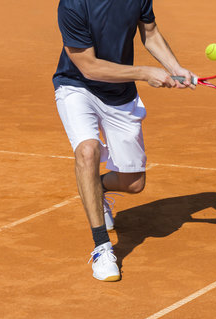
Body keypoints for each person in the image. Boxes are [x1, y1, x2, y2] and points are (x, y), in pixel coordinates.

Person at [52, 0, 194, 282]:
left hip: (120, 93)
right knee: (87, 150)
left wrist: (175, 68)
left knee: (134, 183)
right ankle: (102, 247)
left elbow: (150, 33)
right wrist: (144, 73)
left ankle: (98, 188)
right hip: (76, 85)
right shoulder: (73, 4)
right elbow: (89, 67)